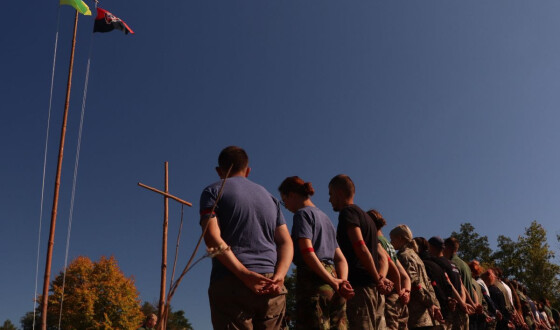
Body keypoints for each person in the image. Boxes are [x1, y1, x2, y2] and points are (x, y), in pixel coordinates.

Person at [199, 146, 294, 329]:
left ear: (219, 171)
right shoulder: (271, 199)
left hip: (231, 279)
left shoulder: (212, 191)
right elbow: (285, 241)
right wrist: (280, 276)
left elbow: (211, 237)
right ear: (248, 170)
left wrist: (244, 274)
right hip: (271, 283)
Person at [279, 176, 353, 329]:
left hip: (313, 282)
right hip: (334, 280)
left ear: (292, 195)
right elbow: (340, 258)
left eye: (284, 200)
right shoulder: (326, 219)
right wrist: (342, 282)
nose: (285, 206)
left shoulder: (302, 215)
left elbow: (307, 252)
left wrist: (333, 282)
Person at [328, 174, 393, 330]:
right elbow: (383, 257)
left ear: (339, 192)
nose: (329, 200)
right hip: (375, 290)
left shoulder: (348, 214)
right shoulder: (369, 220)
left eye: (330, 194)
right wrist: (380, 278)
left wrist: (378, 279)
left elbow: (360, 247)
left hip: (360, 288)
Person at [390, 225, 443, 329]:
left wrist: (429, 303)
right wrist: (434, 303)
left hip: (416, 314)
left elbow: (414, 282)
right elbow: (428, 283)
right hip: (427, 315)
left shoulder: (403, 256)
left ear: (400, 238)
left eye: (392, 239)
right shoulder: (416, 256)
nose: (391, 242)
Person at [368, 209, 411, 329]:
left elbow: (387, 265)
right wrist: (405, 292)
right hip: (398, 300)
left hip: (388, 295)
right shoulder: (389, 245)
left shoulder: (376, 243)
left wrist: (393, 287)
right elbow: (405, 276)